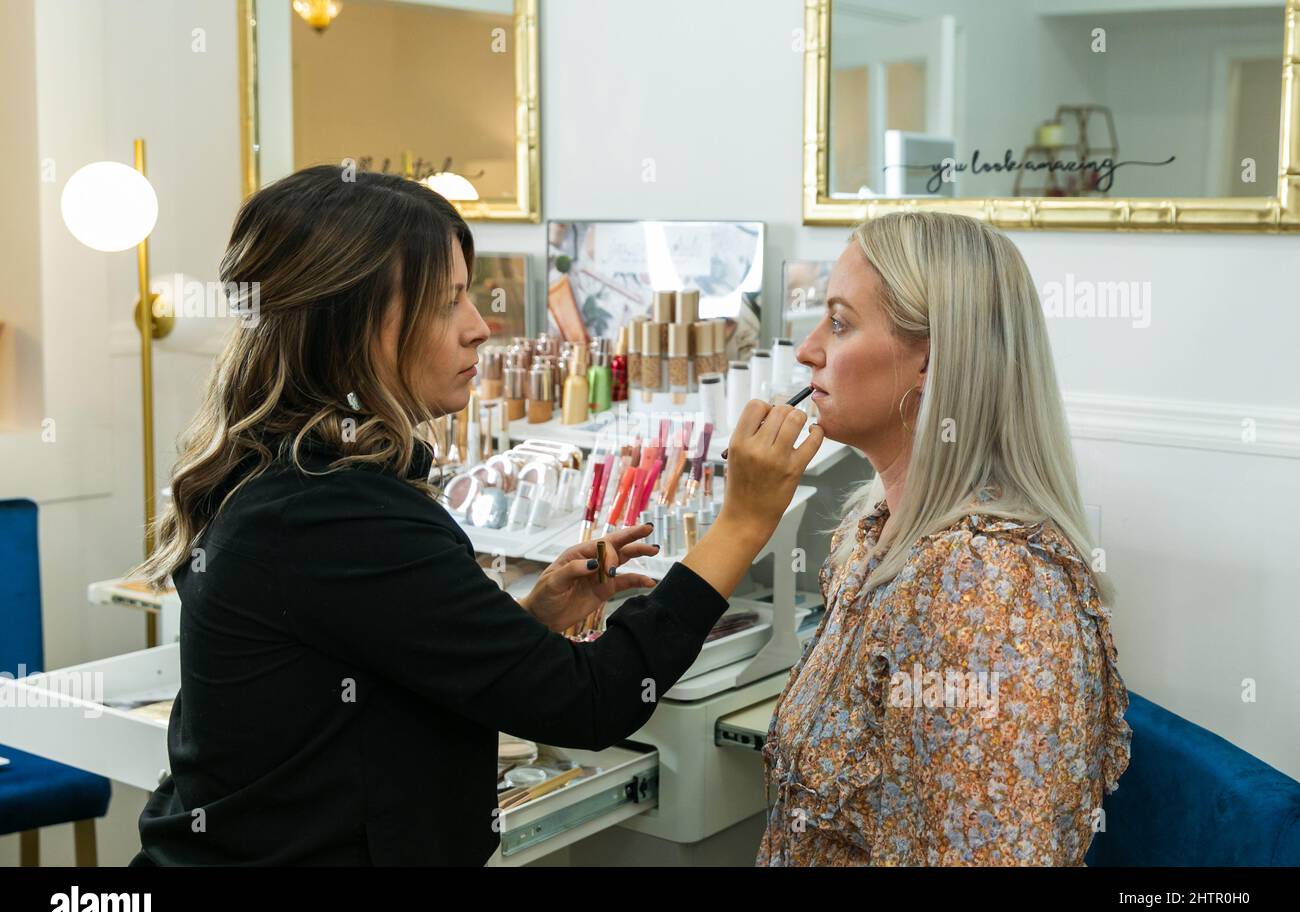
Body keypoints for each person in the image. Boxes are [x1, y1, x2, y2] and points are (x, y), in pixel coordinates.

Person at [127, 165, 822, 865]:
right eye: (445, 303)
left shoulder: (287, 469)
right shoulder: (330, 512)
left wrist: (522, 626)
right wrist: (740, 524)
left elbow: (374, 664)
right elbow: (590, 701)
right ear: (346, 322)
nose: (479, 329)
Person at [757, 211, 1131, 866]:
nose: (807, 350)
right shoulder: (873, 534)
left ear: (930, 357)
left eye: (840, 323)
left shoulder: (993, 587)